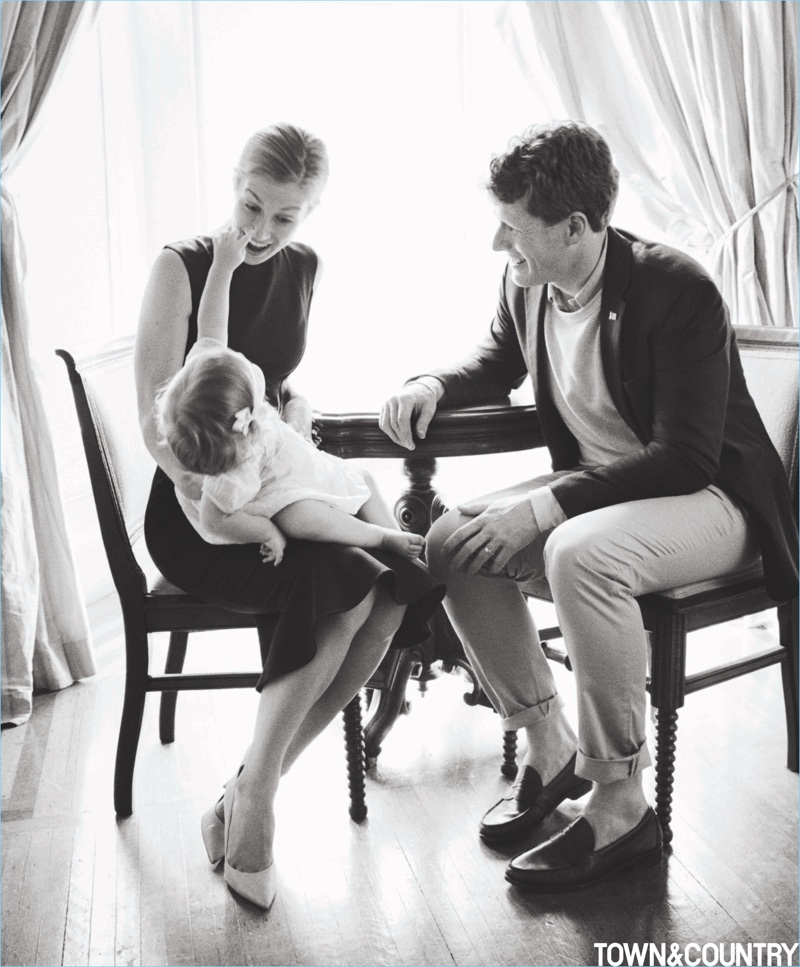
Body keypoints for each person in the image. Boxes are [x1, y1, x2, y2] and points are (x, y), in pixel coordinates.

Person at [379, 120, 798, 893]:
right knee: (451, 539)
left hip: (712, 501)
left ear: (577, 226)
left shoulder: (677, 289)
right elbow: (497, 359)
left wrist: (544, 510)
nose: (498, 243)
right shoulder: (528, 280)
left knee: (579, 550)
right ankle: (547, 741)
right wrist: (434, 383)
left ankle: (620, 802)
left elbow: (686, 456)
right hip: (608, 497)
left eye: (513, 226)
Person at [136, 123, 443, 910]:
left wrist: (289, 414)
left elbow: (262, 390)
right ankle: (258, 810)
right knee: (348, 570)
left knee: (388, 582)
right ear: (234, 179)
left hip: (272, 485)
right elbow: (157, 423)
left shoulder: (304, 266)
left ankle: (247, 786)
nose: (262, 232)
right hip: (201, 506)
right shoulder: (184, 266)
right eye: (252, 206)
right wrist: (220, 498)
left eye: (286, 218)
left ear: (312, 213)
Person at [154, 226, 425, 565]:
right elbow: (214, 519)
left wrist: (223, 266)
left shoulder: (210, 365)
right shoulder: (227, 477)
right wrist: (265, 532)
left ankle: (410, 569)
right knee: (302, 517)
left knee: (359, 480)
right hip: (276, 491)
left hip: (295, 464)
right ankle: (381, 537)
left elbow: (212, 323)